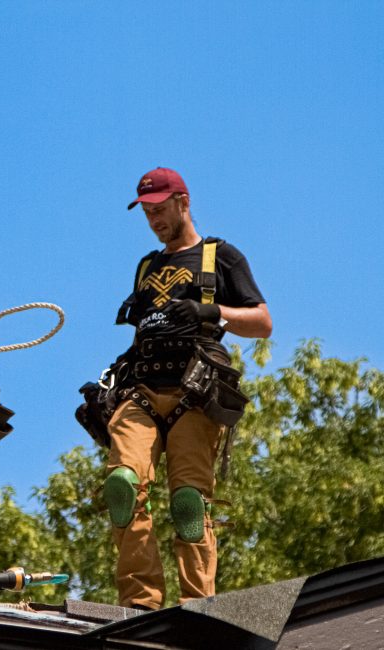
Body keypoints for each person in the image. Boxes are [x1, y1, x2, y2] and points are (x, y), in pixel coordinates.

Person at [104, 167, 272, 610]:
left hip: (193, 392)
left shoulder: (221, 256)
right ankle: (140, 603)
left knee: (188, 503)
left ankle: (199, 606)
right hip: (140, 387)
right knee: (122, 486)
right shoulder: (147, 266)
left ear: (184, 202)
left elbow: (263, 323)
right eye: (147, 213)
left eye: (161, 209)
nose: (154, 219)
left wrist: (210, 311)